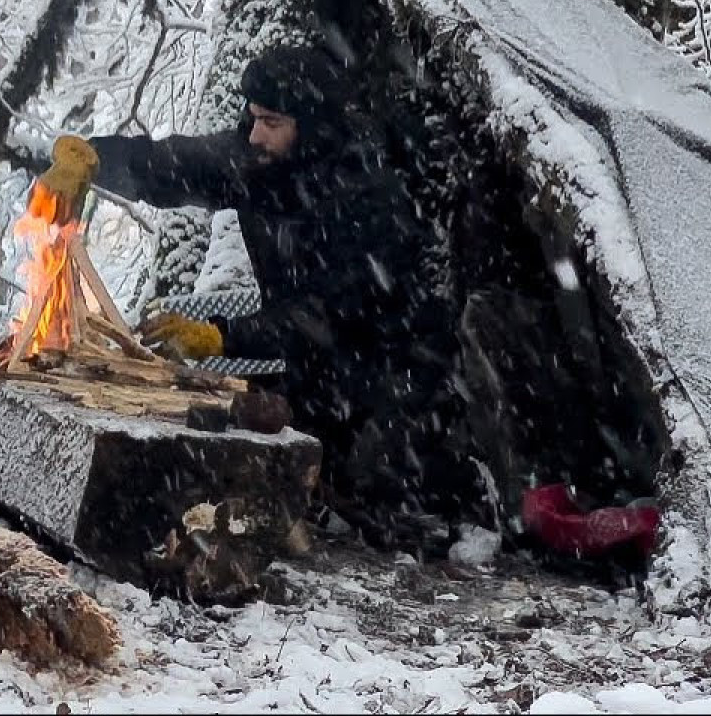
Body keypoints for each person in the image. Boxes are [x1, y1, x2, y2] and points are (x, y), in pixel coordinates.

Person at [35, 45, 466, 539]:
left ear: (310, 125)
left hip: (395, 372)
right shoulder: (260, 159)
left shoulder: (367, 195)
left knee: (372, 493)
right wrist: (95, 159)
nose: (256, 133)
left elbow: (327, 317)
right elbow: (176, 164)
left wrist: (222, 336)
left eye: (272, 122)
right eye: (254, 117)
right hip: (315, 363)